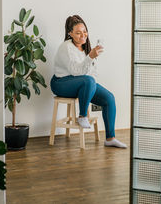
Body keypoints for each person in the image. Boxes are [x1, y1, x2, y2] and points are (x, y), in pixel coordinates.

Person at [50, 15, 127, 148]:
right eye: (78, 33)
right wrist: (90, 57)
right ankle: (82, 116)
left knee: (109, 98)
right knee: (89, 81)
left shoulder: (86, 48)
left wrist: (90, 58)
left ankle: (110, 138)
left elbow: (92, 73)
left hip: (82, 83)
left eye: (84, 31)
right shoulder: (66, 47)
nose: (83, 35)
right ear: (70, 34)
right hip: (61, 83)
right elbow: (75, 71)